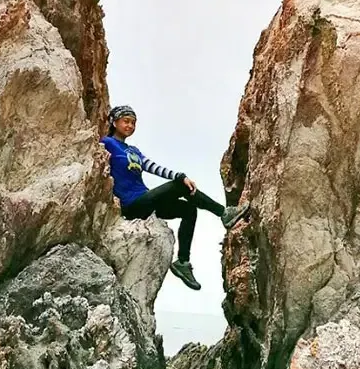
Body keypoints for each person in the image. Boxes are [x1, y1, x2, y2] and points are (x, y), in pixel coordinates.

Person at [100, 104, 250, 290]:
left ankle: (183, 262)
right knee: (181, 185)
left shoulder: (134, 151)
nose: (130, 125)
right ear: (114, 122)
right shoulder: (107, 143)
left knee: (188, 209)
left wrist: (178, 174)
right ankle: (223, 213)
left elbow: (154, 168)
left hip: (145, 200)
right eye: (126, 121)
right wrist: (180, 178)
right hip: (131, 205)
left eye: (133, 122)